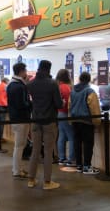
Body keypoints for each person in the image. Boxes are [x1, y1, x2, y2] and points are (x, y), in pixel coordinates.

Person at [26, 60, 63, 190]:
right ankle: (47, 182)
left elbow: (28, 102)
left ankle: (31, 179)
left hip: (35, 120)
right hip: (49, 121)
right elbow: (59, 104)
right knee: (48, 152)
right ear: (49, 69)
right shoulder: (52, 84)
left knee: (35, 151)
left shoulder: (30, 84)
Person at [69, 72, 101, 175]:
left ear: (79, 79)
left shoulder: (73, 91)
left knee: (77, 143)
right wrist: (97, 121)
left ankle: (79, 165)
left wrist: (70, 119)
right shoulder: (89, 91)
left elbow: (69, 105)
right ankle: (87, 166)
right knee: (88, 144)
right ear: (89, 80)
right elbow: (94, 108)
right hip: (86, 122)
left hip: (75, 121)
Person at [7, 63, 31, 179]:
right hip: (21, 118)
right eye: (25, 70)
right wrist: (32, 104)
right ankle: (17, 170)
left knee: (20, 144)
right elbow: (22, 104)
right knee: (19, 145)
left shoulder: (11, 84)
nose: (26, 73)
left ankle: (18, 168)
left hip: (16, 118)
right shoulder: (19, 86)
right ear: (21, 71)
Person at [56, 69, 75, 166]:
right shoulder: (66, 87)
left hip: (59, 114)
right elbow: (69, 102)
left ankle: (61, 158)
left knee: (62, 136)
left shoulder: (58, 86)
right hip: (66, 114)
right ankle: (71, 160)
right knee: (72, 137)